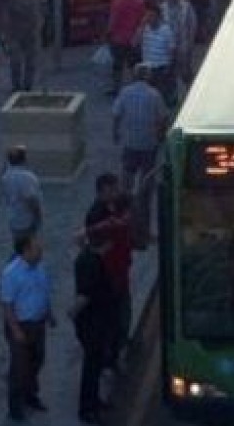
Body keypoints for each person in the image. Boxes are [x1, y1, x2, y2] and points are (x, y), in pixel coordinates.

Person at [0, 234, 55, 421]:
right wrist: (15, 330)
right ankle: (15, 408)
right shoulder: (11, 273)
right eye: (36, 248)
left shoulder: (41, 267)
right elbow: (7, 305)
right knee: (19, 367)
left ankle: (30, 394)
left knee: (37, 359)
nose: (40, 251)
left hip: (38, 323)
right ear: (25, 251)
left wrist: (49, 314)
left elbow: (44, 291)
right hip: (21, 324)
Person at [112, 65, 169, 244]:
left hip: (130, 145)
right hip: (148, 147)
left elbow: (116, 114)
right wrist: (160, 135)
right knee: (145, 191)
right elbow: (163, 117)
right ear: (148, 77)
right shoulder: (154, 95)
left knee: (125, 187)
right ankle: (143, 232)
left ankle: (122, 227)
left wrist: (116, 132)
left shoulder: (125, 92)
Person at [83, 173, 134, 368]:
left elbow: (129, 200)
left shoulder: (115, 205)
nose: (117, 192)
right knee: (113, 318)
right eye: (113, 189)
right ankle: (110, 356)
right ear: (104, 190)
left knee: (123, 312)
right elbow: (96, 242)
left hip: (121, 270)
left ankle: (119, 344)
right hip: (109, 276)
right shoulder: (96, 214)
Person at [70, 226, 115, 424]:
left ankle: (93, 401)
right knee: (91, 366)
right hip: (93, 322)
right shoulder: (92, 263)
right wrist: (73, 312)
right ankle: (87, 408)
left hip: (95, 319)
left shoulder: (87, 257)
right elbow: (86, 295)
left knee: (94, 365)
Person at [104, 0, 146, 96]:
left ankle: (116, 88)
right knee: (134, 64)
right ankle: (138, 87)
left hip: (118, 39)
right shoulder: (139, 2)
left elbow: (113, 20)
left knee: (117, 65)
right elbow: (143, 19)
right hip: (134, 39)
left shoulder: (117, 2)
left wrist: (108, 33)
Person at [4, 0, 44, 92]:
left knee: (30, 62)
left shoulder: (37, 2)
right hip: (16, 35)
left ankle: (28, 86)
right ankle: (16, 86)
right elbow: (7, 19)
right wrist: (7, 36)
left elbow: (40, 17)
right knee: (16, 61)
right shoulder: (15, 1)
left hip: (31, 35)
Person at [133, 1, 177, 102]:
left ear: (158, 16)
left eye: (151, 16)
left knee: (160, 96)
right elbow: (134, 43)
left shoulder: (166, 30)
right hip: (147, 67)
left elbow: (172, 50)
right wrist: (141, 26)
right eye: (147, 15)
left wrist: (169, 67)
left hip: (161, 67)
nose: (149, 18)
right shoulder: (144, 29)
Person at [0, 145, 44, 245]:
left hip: (14, 217)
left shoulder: (6, 176)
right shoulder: (27, 178)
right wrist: (38, 216)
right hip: (27, 219)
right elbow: (31, 200)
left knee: (18, 244)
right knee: (29, 245)